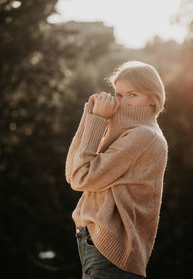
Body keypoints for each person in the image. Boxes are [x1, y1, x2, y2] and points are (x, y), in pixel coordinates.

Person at [65, 60, 168, 278]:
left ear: (153, 97)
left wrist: (98, 119)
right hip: (104, 245)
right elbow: (72, 170)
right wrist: (91, 115)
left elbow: (80, 177)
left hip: (110, 246)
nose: (122, 102)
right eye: (119, 95)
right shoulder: (133, 131)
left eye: (132, 94)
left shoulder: (142, 136)